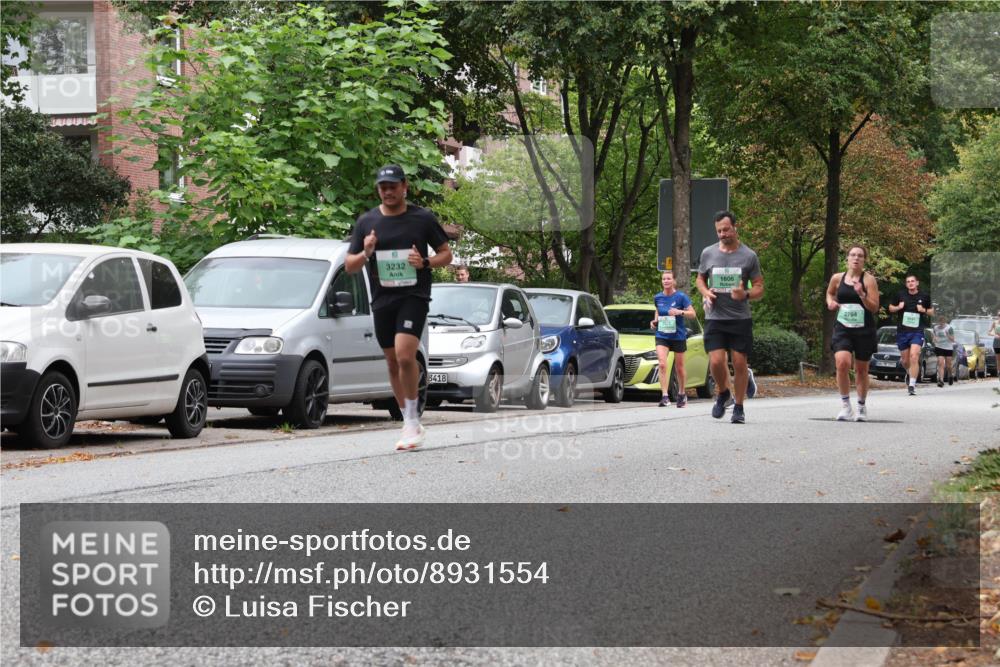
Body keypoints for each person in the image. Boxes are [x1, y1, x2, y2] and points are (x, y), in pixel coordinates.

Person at [346, 165, 453, 451]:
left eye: (393, 186)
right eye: (383, 187)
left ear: (405, 186)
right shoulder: (367, 222)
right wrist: (366, 251)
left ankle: (411, 418)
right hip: (383, 299)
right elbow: (349, 265)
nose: (388, 191)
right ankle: (409, 419)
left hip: (414, 296)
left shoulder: (422, 218)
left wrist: (426, 263)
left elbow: (447, 254)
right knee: (392, 361)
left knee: (406, 356)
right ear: (378, 189)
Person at [695, 211, 764, 424]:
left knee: (739, 362)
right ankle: (724, 392)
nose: (722, 234)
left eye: (726, 229)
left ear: (735, 228)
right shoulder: (708, 253)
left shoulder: (749, 256)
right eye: (719, 231)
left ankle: (739, 407)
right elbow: (700, 279)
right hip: (715, 317)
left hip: (739, 318)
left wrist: (745, 294)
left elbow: (760, 288)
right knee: (716, 362)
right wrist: (706, 293)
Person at [825, 245, 880, 421]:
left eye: (860, 256)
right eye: (853, 255)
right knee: (842, 362)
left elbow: (874, 307)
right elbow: (830, 294)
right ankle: (845, 406)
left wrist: (862, 295)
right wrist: (830, 303)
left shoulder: (869, 280)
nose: (856, 258)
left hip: (864, 329)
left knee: (862, 369)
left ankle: (861, 406)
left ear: (864, 260)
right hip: (843, 327)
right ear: (847, 258)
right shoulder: (837, 278)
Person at [650, 270, 695, 408]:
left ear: (673, 281)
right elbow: (658, 310)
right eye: (664, 279)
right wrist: (654, 321)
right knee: (662, 364)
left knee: (679, 368)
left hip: (678, 336)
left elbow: (692, 314)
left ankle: (682, 393)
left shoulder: (681, 297)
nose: (666, 281)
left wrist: (679, 312)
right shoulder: (658, 297)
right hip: (662, 335)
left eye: (669, 278)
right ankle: (665, 396)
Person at [887, 274, 933, 396]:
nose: (910, 283)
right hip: (902, 331)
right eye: (908, 281)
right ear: (906, 284)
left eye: (913, 281)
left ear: (917, 283)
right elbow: (890, 308)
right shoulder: (900, 295)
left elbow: (932, 311)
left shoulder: (924, 296)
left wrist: (923, 310)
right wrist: (898, 307)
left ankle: (912, 385)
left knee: (914, 356)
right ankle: (909, 372)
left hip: (917, 331)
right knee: (905, 360)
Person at [931, 315, 955, 387]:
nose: (941, 325)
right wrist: (934, 338)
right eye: (940, 323)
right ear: (938, 322)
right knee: (940, 363)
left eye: (942, 323)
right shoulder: (935, 328)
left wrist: (948, 335)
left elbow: (953, 339)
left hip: (948, 348)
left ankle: (950, 375)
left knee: (948, 365)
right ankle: (941, 380)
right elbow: (933, 335)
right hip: (939, 347)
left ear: (945, 322)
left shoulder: (949, 328)